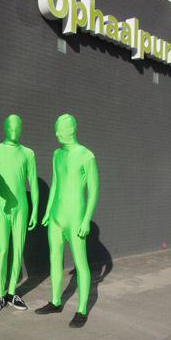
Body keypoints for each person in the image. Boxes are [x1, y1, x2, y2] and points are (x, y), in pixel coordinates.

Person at [35, 114, 99, 328]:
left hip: (75, 218)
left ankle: (81, 310)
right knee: (55, 260)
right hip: (56, 217)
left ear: (70, 130)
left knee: (81, 263)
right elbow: (55, 183)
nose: (56, 133)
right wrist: (47, 211)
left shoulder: (86, 155)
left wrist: (86, 219)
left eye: (58, 130)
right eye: (55, 129)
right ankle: (55, 301)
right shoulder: (56, 154)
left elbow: (94, 189)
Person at [0, 115, 39, 312]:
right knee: (2, 250)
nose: (14, 132)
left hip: (22, 208)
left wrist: (35, 210)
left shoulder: (28, 153)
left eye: (18, 128)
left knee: (18, 250)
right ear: (5, 127)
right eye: (11, 128)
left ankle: (12, 292)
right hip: (1, 207)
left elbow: (33, 183)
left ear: (21, 128)